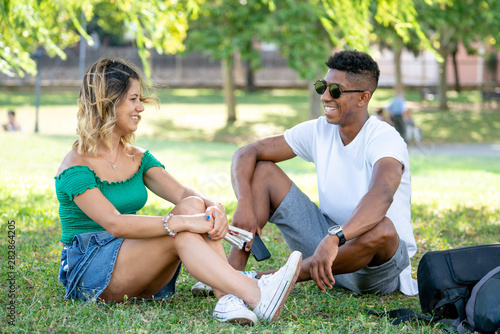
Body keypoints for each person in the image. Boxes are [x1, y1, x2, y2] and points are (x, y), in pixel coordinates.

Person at [54, 57, 302, 326]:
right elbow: (116, 223)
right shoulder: (76, 166)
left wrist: (214, 208)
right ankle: (254, 293)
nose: (141, 107)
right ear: (109, 102)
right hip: (90, 270)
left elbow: (184, 194)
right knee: (179, 231)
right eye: (133, 99)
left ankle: (226, 299)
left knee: (195, 205)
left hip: (135, 266)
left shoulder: (137, 157)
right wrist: (186, 222)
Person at [226, 50, 418, 297]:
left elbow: (381, 195)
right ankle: (230, 274)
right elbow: (246, 153)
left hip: (373, 269)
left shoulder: (385, 139)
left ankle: (271, 279)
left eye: (335, 90)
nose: (325, 97)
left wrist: (336, 238)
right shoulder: (319, 130)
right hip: (325, 248)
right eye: (322, 87)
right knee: (263, 171)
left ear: (363, 98)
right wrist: (244, 202)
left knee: (383, 229)